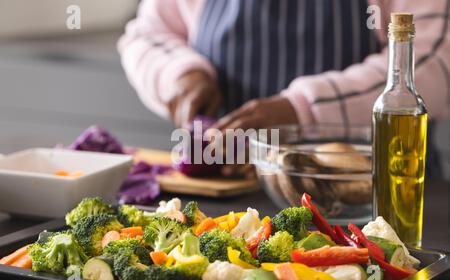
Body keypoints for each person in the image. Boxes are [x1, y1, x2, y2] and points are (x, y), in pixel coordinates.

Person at [118, 0, 449, 176]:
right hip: (231, 205)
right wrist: (181, 76)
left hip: (375, 202)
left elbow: (433, 59)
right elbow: (148, 33)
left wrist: (301, 111)